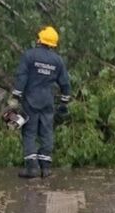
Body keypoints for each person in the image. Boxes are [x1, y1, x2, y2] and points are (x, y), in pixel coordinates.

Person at [9, 26, 71, 178]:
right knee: (46, 131)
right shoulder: (57, 60)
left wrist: (15, 98)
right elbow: (65, 83)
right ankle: (46, 168)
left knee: (29, 132)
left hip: (31, 100)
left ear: (40, 40)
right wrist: (64, 101)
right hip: (47, 102)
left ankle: (32, 168)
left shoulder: (29, 56)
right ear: (53, 44)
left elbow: (22, 78)